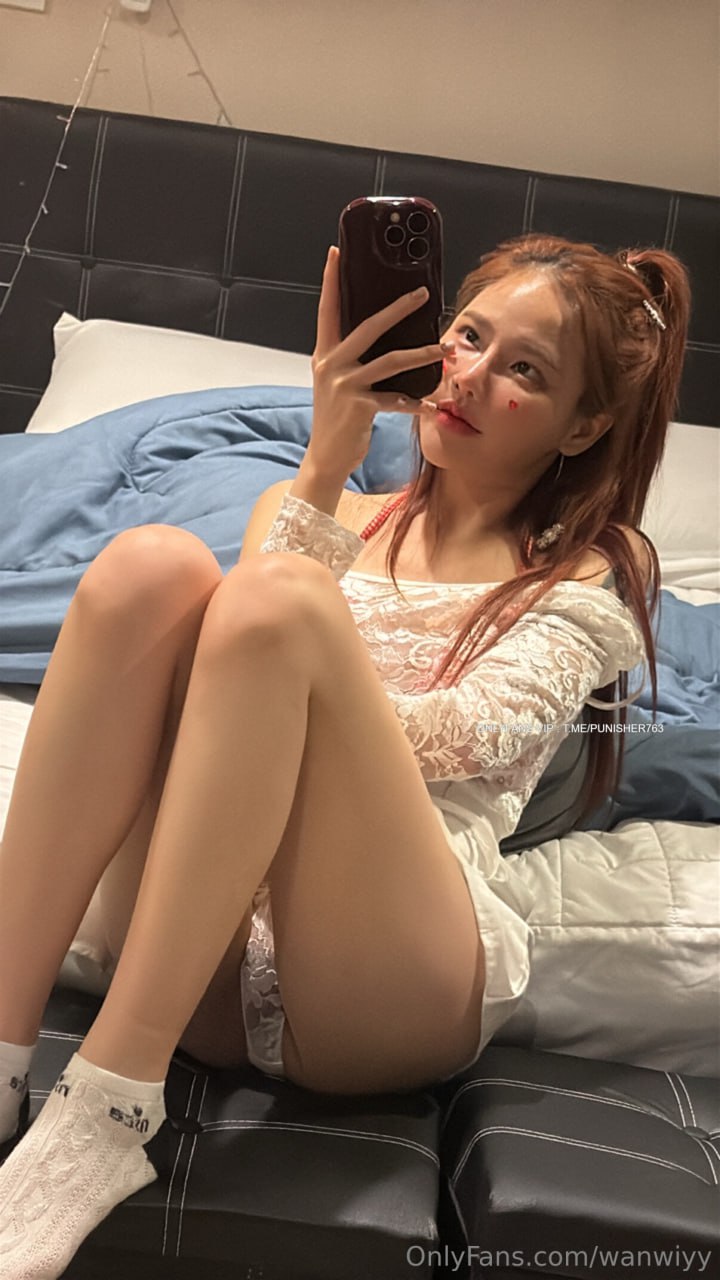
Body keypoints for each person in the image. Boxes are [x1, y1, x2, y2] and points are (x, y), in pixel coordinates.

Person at [0, 232, 690, 1276]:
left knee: (278, 601)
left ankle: (109, 1103)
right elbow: (239, 664)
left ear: (583, 425)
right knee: (152, 565)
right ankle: (4, 1051)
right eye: (467, 336)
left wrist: (303, 677)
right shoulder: (316, 513)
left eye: (524, 369)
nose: (468, 374)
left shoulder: (591, 569)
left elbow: (475, 733)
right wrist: (327, 458)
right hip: (203, 960)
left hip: (383, 981)